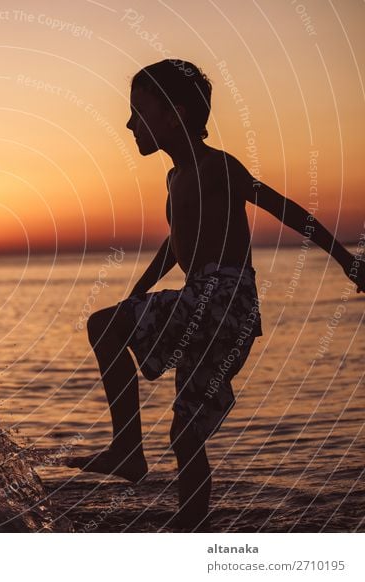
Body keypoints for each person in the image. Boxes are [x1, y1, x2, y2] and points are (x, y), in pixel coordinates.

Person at [64, 59, 365, 530]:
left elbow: (285, 209)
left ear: (176, 115)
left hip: (224, 297)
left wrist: (347, 261)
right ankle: (191, 534)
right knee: (186, 435)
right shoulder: (174, 177)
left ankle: (127, 448)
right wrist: (140, 290)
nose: (128, 123)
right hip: (208, 301)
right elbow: (176, 243)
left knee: (104, 325)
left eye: (138, 112)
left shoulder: (217, 166)